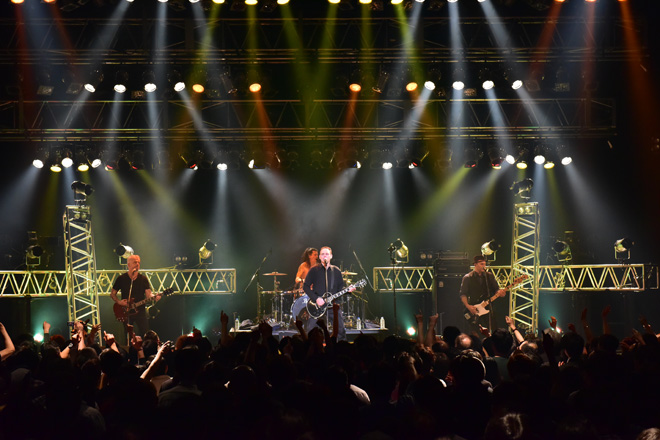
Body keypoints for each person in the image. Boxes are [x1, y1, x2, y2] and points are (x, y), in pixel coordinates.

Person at [303, 246, 354, 341]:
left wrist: (348, 290)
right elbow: (305, 286)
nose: (324, 256)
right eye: (322, 254)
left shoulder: (336, 271)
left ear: (331, 256)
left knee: (340, 331)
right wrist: (316, 298)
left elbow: (340, 289)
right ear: (319, 257)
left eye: (327, 254)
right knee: (311, 331)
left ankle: (340, 348)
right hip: (317, 306)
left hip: (332, 306)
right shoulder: (314, 270)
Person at [110, 254, 160, 339]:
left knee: (145, 333)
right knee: (128, 335)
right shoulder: (121, 278)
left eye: (138, 262)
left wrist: (154, 297)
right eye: (135, 262)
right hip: (127, 311)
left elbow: (148, 294)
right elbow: (112, 294)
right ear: (129, 265)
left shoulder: (143, 279)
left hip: (140, 311)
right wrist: (119, 302)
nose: (137, 264)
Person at [459, 255, 505, 332]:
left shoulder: (489, 276)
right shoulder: (468, 277)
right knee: (474, 331)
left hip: (487, 307)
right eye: (481, 264)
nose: (484, 266)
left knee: (493, 329)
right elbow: (463, 294)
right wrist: (468, 306)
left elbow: (496, 289)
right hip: (474, 308)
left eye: (485, 264)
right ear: (475, 264)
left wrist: (500, 293)